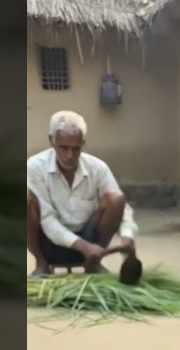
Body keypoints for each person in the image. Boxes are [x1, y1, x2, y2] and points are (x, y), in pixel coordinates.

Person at [26, 110, 138, 277]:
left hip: (89, 238)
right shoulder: (35, 167)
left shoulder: (97, 167)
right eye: (63, 148)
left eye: (76, 149)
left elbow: (122, 207)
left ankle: (94, 262)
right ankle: (41, 263)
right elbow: (47, 220)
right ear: (52, 141)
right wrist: (84, 247)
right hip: (49, 242)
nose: (70, 155)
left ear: (83, 143)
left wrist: (127, 236)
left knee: (115, 199)